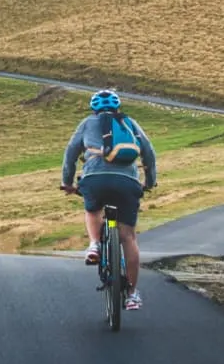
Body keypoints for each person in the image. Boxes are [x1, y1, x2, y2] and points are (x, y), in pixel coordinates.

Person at [60, 89, 157, 310]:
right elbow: (149, 153)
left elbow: (70, 154)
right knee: (128, 238)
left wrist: (67, 183)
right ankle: (132, 294)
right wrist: (149, 182)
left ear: (93, 108)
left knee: (93, 210)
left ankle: (94, 245)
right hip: (127, 182)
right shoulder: (130, 123)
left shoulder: (87, 123)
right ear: (118, 107)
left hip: (95, 178)